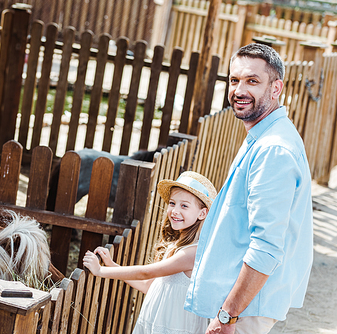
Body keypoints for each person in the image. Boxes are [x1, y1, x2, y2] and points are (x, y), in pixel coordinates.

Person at [184, 43, 313, 334]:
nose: (240, 90)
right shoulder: (263, 134)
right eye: (234, 80)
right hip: (243, 303)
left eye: (252, 81)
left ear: (276, 87)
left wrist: (228, 314)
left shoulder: (273, 150)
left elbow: (267, 247)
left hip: (245, 309)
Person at [83, 171, 217, 334]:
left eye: (184, 206)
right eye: (172, 203)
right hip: (156, 321)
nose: (174, 210)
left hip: (176, 327)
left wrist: (101, 270)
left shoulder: (192, 253)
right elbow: (150, 285)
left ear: (202, 213)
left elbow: (146, 273)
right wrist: (112, 265)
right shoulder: (176, 246)